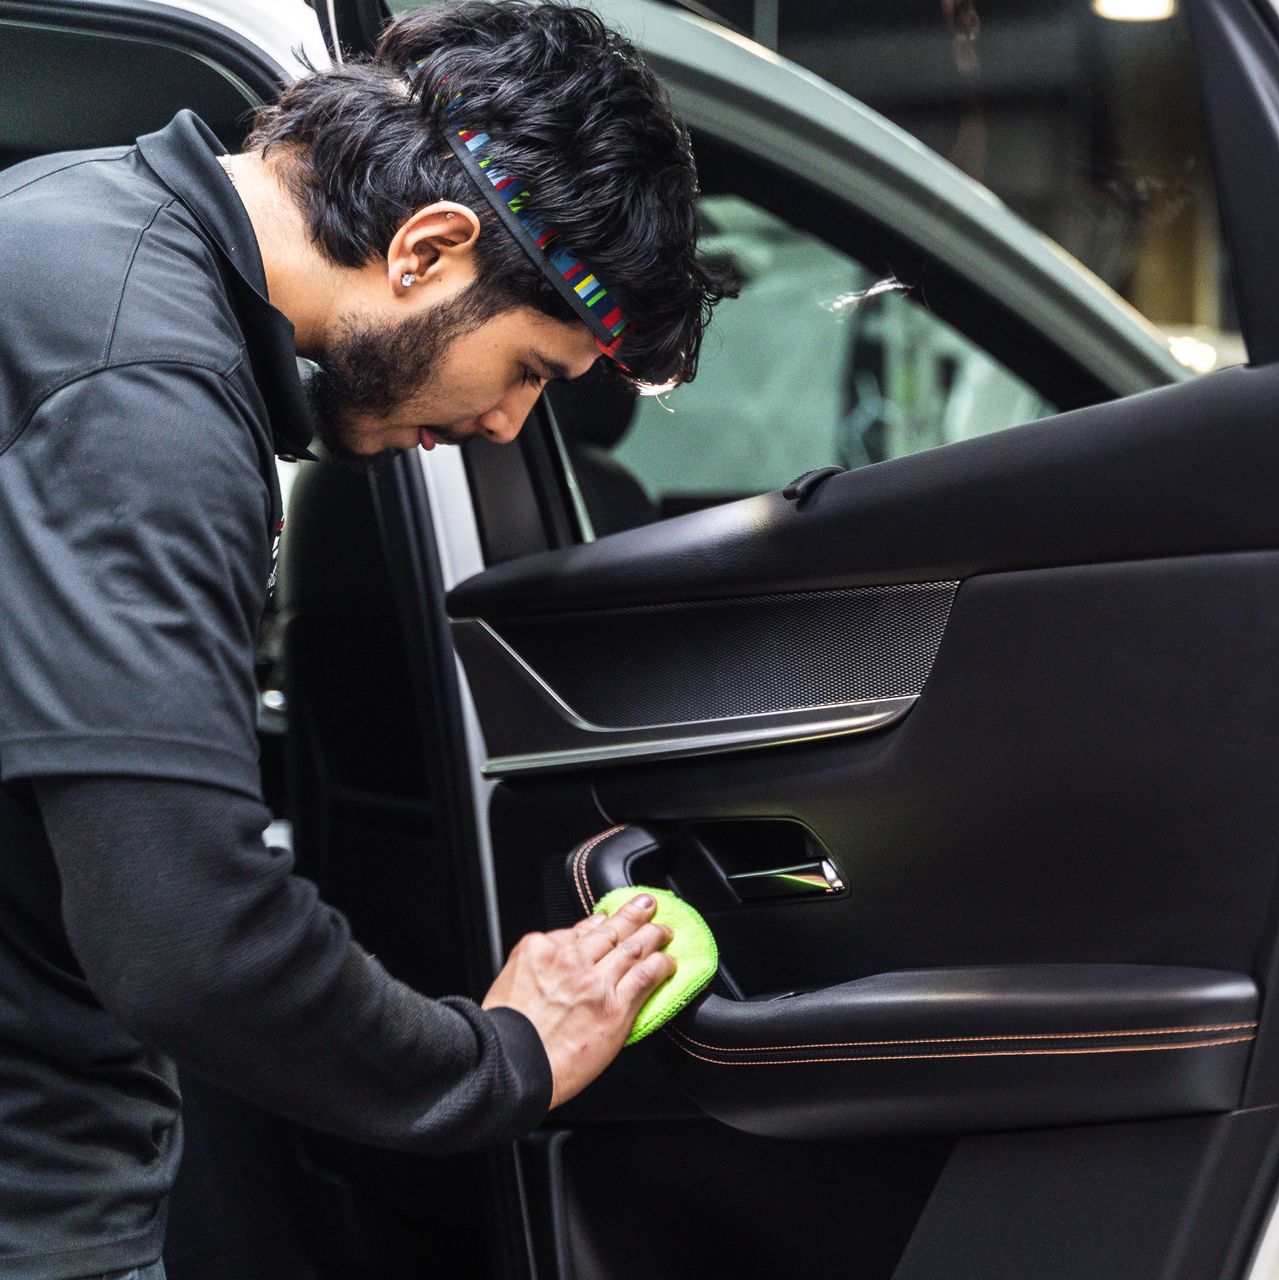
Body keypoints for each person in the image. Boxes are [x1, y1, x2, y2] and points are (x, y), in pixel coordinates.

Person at [0, 4, 735, 1277]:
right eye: (532, 371)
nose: (512, 425)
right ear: (428, 249)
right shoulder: (148, 397)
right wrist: (502, 1054)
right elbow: (191, 940)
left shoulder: (62, 223)